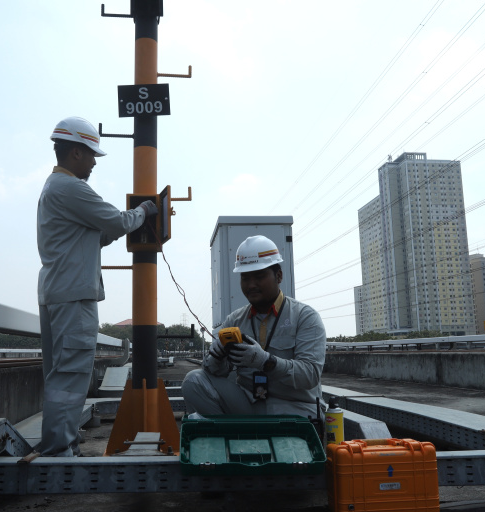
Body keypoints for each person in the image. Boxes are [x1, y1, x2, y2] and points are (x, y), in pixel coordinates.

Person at [36, 116, 158, 457]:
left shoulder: (53, 189)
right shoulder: (72, 188)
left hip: (57, 289)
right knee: (71, 375)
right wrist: (144, 211)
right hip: (74, 294)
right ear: (76, 152)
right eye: (91, 155)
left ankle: (62, 445)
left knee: (60, 375)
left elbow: (96, 234)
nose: (93, 162)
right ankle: (60, 452)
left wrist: (114, 229)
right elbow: (117, 220)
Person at [182, 235, 326, 419]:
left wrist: (266, 361)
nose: (251, 285)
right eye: (245, 277)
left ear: (279, 275)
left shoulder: (305, 317)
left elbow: (310, 374)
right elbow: (216, 373)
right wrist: (216, 356)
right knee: (193, 381)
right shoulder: (234, 320)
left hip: (295, 409)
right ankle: (228, 439)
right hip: (250, 404)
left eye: (259, 276)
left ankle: (241, 436)